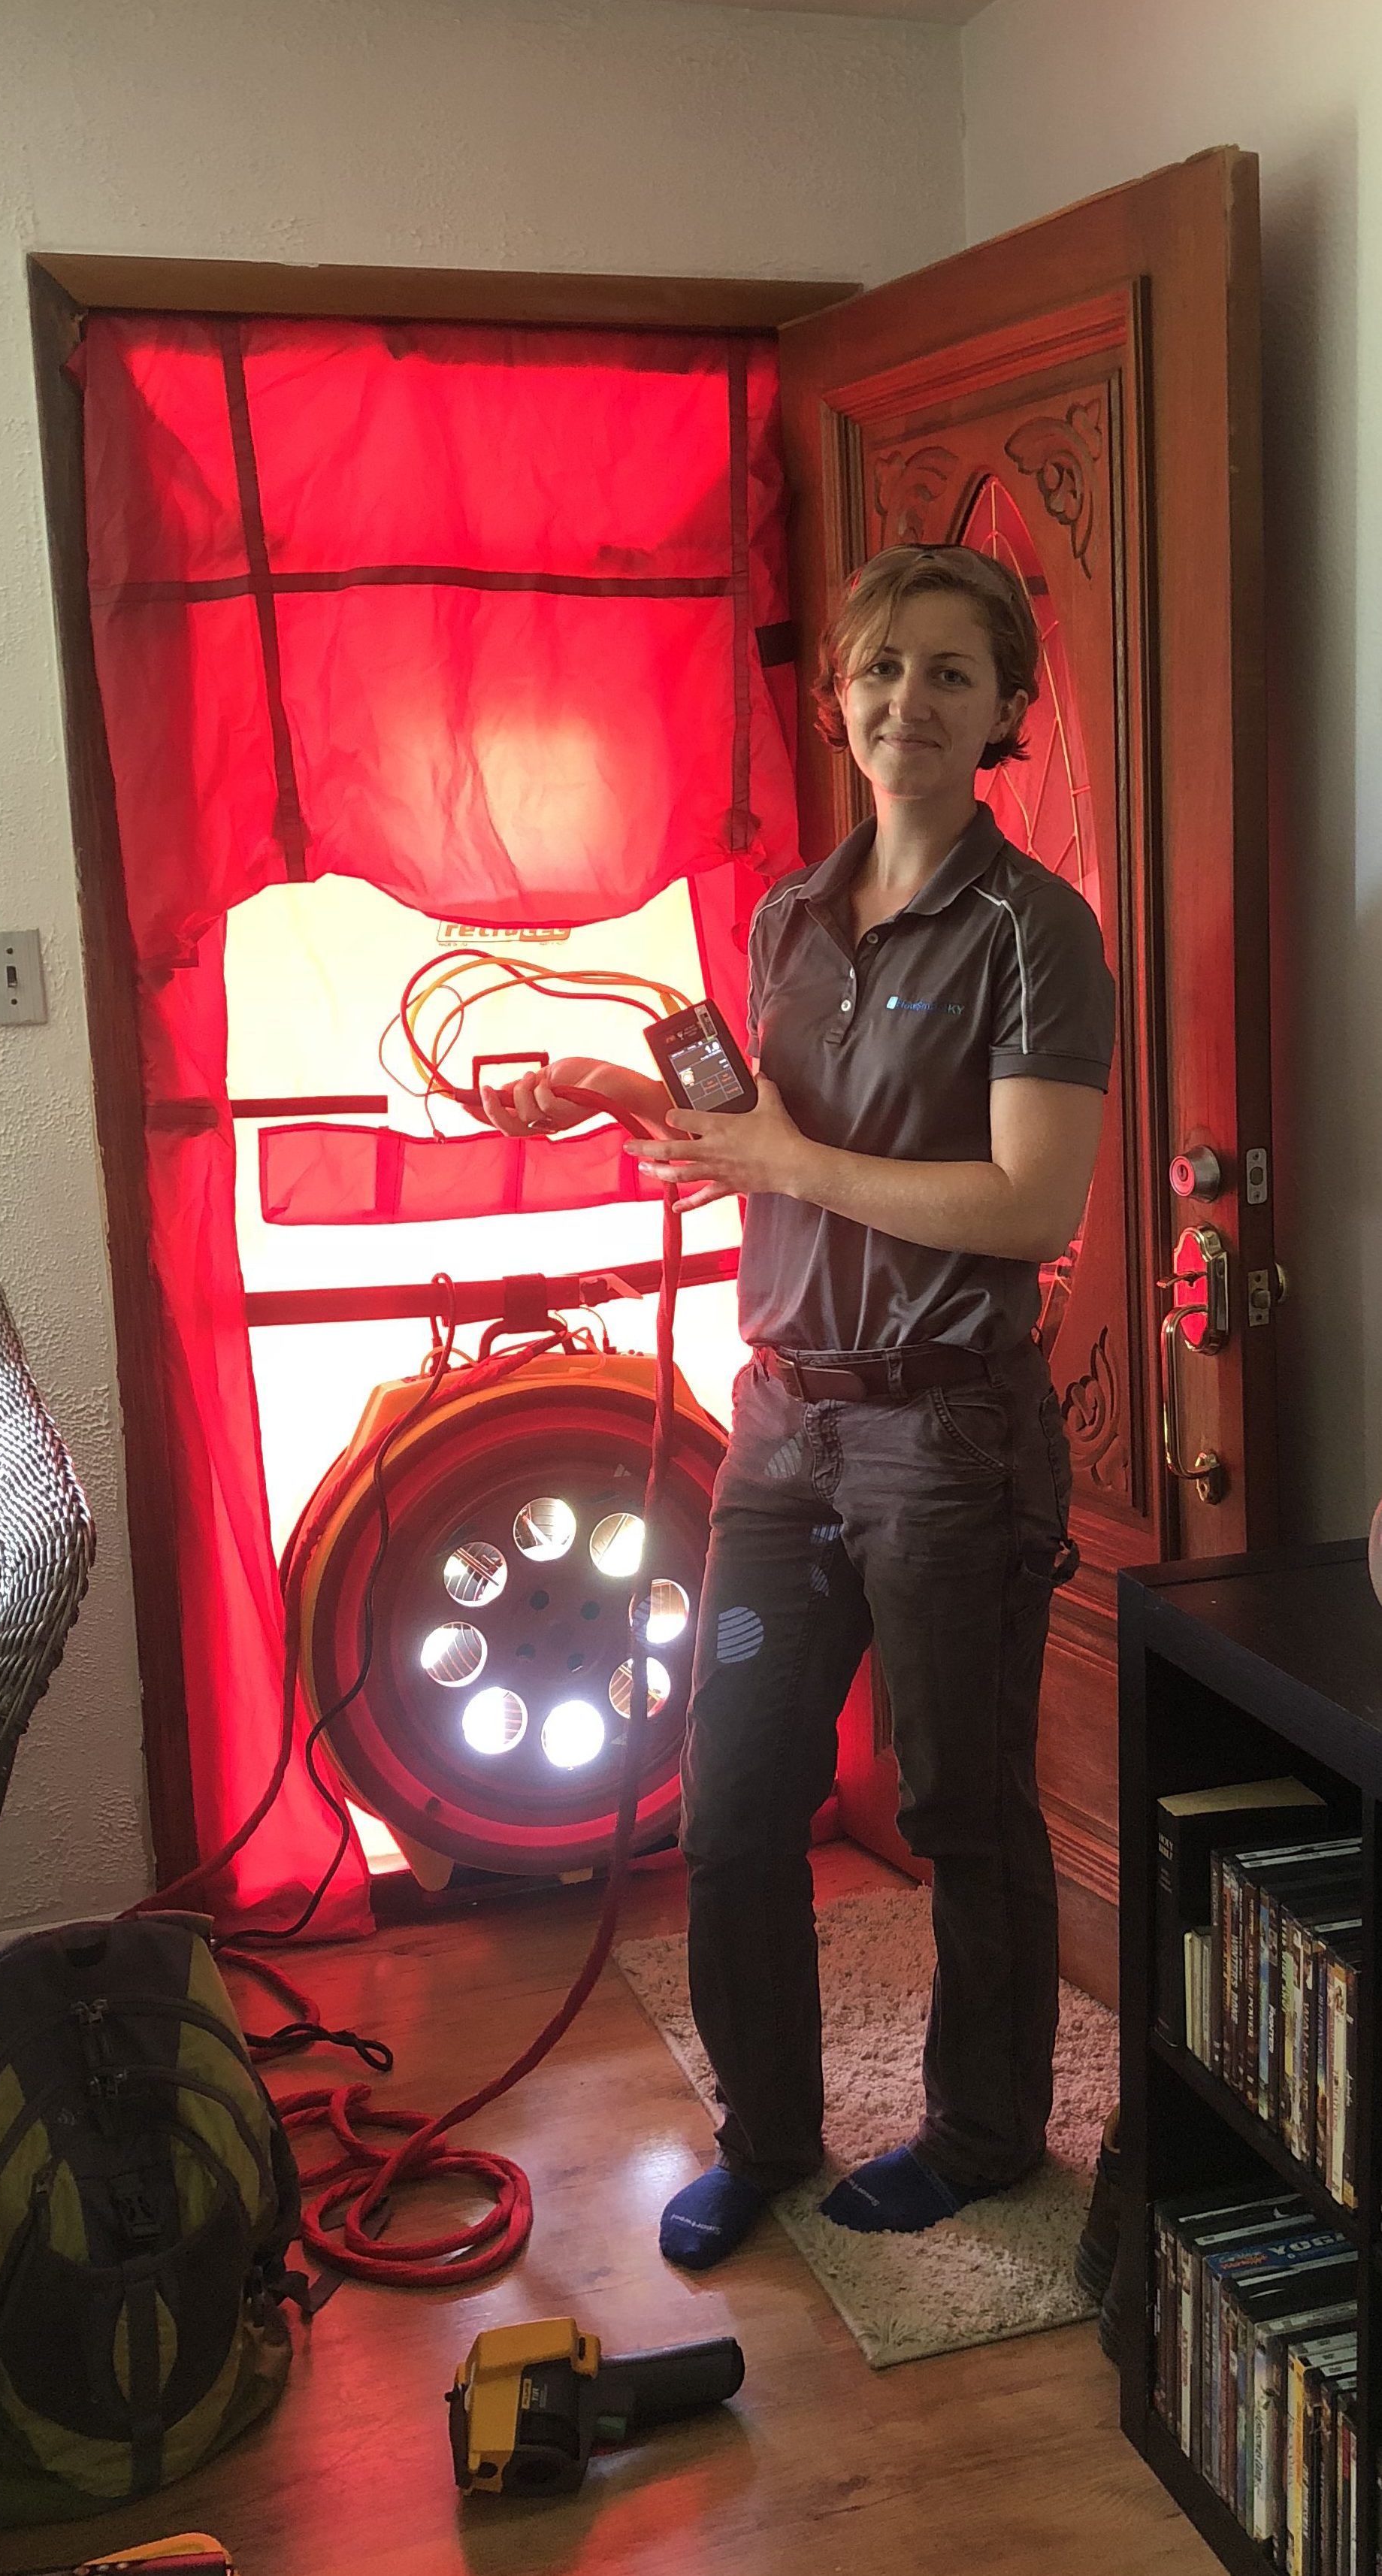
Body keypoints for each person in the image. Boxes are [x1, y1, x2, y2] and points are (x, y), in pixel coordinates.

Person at [481, 544, 1114, 2267]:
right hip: (783, 1435)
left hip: (946, 1444)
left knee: (956, 1801)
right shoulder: (785, 918)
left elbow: (1026, 1207)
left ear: (1002, 714)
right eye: (881, 669)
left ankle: (983, 2134)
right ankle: (766, 2129)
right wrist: (635, 1096)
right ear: (837, 700)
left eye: (950, 674)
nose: (910, 700)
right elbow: (783, 1150)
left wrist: (774, 1151)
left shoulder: (1035, 934)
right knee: (740, 1788)